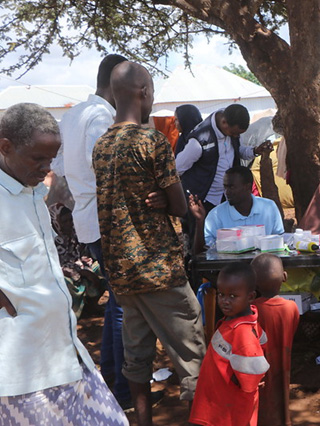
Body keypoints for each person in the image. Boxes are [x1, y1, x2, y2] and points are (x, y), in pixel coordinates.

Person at [92, 61, 206, 426]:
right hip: (159, 268)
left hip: (122, 273)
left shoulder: (102, 145)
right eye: (153, 90)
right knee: (192, 356)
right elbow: (178, 205)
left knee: (136, 356)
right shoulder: (151, 140)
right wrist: (164, 197)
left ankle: (141, 421)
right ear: (143, 92)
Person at [0, 103, 128, 425]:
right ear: (6, 147)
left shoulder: (30, 192)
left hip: (63, 352)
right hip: (23, 374)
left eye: (51, 158)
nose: (47, 167)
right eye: (37, 158)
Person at [54, 53, 140, 408]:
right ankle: (121, 391)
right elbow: (105, 166)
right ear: (117, 84)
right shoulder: (103, 115)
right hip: (108, 219)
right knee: (124, 305)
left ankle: (110, 382)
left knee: (115, 302)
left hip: (88, 220)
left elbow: (59, 166)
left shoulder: (72, 114)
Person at [189, 262, 270, 426]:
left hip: (227, 410)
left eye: (233, 296)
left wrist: (254, 378)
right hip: (220, 403)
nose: (224, 301)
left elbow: (252, 372)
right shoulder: (243, 320)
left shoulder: (242, 331)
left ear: (250, 296)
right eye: (221, 294)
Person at [176, 103, 271, 213]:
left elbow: (237, 151)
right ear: (224, 123)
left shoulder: (231, 128)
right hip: (204, 202)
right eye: (234, 133)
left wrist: (254, 151)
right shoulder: (199, 141)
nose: (235, 137)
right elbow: (177, 169)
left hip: (226, 199)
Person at [251, 254, 300, 426]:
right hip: (283, 363)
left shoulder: (252, 310)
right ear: (285, 277)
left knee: (261, 404)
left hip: (258, 369)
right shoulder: (292, 308)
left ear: (253, 283)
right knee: (282, 396)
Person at [190, 165, 284, 253]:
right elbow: (201, 252)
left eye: (231, 187)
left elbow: (279, 241)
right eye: (225, 187)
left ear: (247, 187)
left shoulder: (269, 207)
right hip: (229, 267)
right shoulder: (216, 215)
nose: (227, 192)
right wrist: (200, 221)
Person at [49, 202, 106, 318]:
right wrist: (79, 272)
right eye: (64, 221)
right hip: (61, 273)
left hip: (79, 267)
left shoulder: (75, 234)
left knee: (101, 268)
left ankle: (91, 305)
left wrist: (84, 268)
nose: (69, 224)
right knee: (65, 281)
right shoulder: (49, 241)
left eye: (70, 220)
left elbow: (81, 255)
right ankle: (73, 312)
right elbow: (50, 266)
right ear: (55, 222)